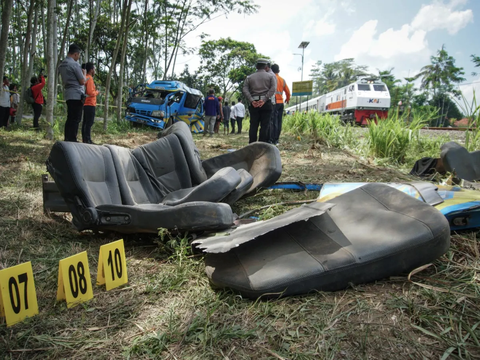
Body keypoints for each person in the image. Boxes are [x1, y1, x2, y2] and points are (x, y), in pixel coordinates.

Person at [242, 59, 276, 143]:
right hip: (266, 103)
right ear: (266, 67)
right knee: (265, 125)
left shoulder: (249, 77)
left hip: (254, 103)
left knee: (253, 125)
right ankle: (261, 145)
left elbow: (245, 89)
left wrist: (251, 100)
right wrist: (264, 100)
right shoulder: (271, 77)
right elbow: (273, 89)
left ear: (257, 66)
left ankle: (252, 144)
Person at [58, 44, 86, 142]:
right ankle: (72, 139)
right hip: (77, 94)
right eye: (78, 55)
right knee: (76, 118)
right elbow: (82, 81)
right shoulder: (74, 64)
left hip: (68, 93)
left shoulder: (62, 64)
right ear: (75, 54)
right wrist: (84, 74)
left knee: (70, 117)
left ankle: (67, 138)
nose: (78, 57)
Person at [270, 64, 290, 145]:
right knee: (279, 121)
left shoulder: (271, 78)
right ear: (279, 71)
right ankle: (277, 140)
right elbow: (288, 92)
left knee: (273, 121)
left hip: (273, 102)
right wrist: (287, 99)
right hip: (281, 103)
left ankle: (272, 139)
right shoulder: (282, 80)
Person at [82, 62, 100, 144]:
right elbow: (90, 92)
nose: (94, 71)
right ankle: (87, 139)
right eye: (94, 69)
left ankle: (85, 139)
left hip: (86, 103)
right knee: (89, 122)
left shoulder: (85, 78)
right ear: (91, 70)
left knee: (85, 122)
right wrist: (96, 92)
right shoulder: (89, 79)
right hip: (90, 103)